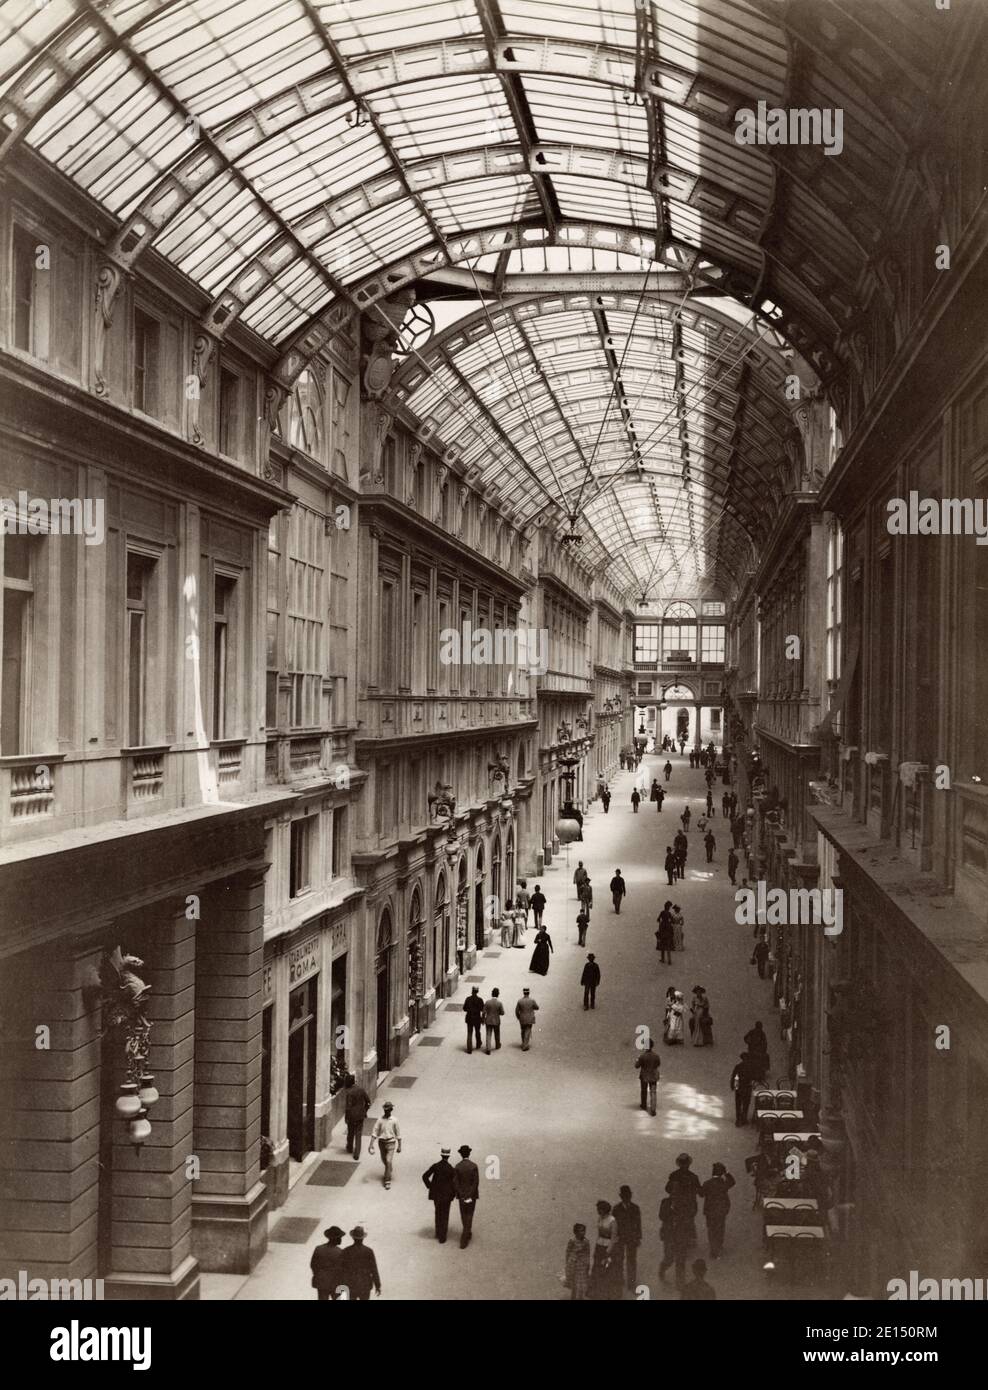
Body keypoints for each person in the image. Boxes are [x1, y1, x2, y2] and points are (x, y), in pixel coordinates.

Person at [422, 1146, 457, 1243]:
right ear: (448, 1156)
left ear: (441, 1155)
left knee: (438, 1212)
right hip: (447, 1196)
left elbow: (425, 1176)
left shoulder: (435, 1166)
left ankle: (438, 1232)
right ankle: (443, 1236)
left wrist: (430, 1187)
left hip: (436, 1194)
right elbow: (454, 1184)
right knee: (445, 1214)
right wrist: (453, 1194)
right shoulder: (451, 1169)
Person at [700, 1165, 735, 1259]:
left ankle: (713, 1249)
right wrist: (727, 1173)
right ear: (721, 1173)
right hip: (721, 1210)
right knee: (720, 1228)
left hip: (710, 1211)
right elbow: (732, 1181)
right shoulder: (723, 1183)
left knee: (711, 1229)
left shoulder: (707, 1183)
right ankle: (719, 1246)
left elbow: (701, 1194)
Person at [590, 1200, 621, 1300]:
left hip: (608, 1248)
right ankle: (595, 1292)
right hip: (599, 1246)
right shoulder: (600, 1218)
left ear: (604, 1209)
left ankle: (607, 1294)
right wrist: (597, 1246)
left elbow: (613, 1238)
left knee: (607, 1270)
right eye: (598, 1209)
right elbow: (599, 1234)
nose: (598, 1211)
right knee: (596, 1268)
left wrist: (608, 1251)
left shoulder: (612, 1220)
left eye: (600, 1209)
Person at [613, 1185, 642, 1290]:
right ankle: (619, 1280)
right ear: (621, 1196)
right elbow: (614, 1225)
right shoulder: (616, 1209)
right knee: (619, 1259)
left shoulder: (635, 1208)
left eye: (628, 1195)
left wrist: (638, 1237)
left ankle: (631, 1282)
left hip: (632, 1238)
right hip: (620, 1238)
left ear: (630, 1195)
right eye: (624, 1196)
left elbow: (638, 1224)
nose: (626, 1197)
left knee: (632, 1260)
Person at [341, 1226, 381, 1300]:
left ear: (353, 1238)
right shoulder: (369, 1251)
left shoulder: (346, 1251)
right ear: (363, 1238)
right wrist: (377, 1285)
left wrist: (342, 1286)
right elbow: (374, 1269)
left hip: (350, 1285)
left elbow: (342, 1270)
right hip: (365, 1285)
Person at [368, 1101, 401, 1187]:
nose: (386, 1111)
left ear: (391, 1110)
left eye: (388, 1110)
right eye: (385, 1109)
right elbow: (375, 1132)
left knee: (388, 1160)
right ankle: (389, 1168)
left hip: (391, 1143)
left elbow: (398, 1134)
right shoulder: (380, 1120)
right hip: (381, 1143)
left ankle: (387, 1181)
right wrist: (371, 1144)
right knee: (384, 1160)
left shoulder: (394, 1120)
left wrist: (399, 1146)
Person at [453, 1144, 479, 1248]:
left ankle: (466, 1232)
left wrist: (462, 1194)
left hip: (461, 1196)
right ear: (469, 1153)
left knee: (463, 1215)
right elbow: (476, 1183)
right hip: (472, 1195)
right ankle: (466, 1234)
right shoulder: (474, 1166)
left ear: (461, 1154)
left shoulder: (457, 1166)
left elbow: (455, 1182)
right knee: (470, 1214)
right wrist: (470, 1194)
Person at [310, 1225, 346, 1300]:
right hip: (336, 1283)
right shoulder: (340, 1252)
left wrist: (319, 1275)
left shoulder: (318, 1249)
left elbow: (313, 1264)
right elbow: (343, 1270)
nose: (341, 1239)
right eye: (340, 1237)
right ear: (336, 1239)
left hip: (321, 1282)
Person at [343, 1073, 371, 1160]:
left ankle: (350, 1147)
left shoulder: (349, 1093)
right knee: (358, 1134)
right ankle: (357, 1153)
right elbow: (368, 1102)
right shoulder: (361, 1090)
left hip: (351, 1116)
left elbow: (348, 1107)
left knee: (350, 1132)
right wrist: (364, 1110)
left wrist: (346, 1117)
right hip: (360, 1116)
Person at [564, 1223, 591, 1300]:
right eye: (581, 1231)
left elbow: (587, 1253)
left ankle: (580, 1298)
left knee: (581, 1284)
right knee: (574, 1283)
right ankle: (573, 1297)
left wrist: (588, 1263)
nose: (583, 1233)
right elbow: (568, 1252)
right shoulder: (572, 1241)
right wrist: (567, 1263)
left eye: (584, 1231)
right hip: (573, 1264)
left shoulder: (586, 1242)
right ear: (576, 1232)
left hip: (582, 1264)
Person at [635, 1037, 661, 1114]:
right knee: (653, 1092)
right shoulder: (656, 1056)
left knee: (644, 1091)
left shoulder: (642, 1056)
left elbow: (636, 1066)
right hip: (653, 1075)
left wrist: (637, 1060)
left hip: (644, 1076)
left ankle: (643, 1105)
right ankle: (653, 1109)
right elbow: (658, 1064)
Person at [730, 1053, 755, 1126]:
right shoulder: (751, 1067)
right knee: (746, 1104)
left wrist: (733, 1085)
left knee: (738, 1103)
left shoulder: (738, 1066)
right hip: (747, 1087)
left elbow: (734, 1076)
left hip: (739, 1088)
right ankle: (744, 1118)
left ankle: (738, 1119)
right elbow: (754, 1076)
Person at [463, 986, 484, 1053]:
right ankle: (478, 1043)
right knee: (477, 1031)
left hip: (469, 1018)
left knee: (469, 1033)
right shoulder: (480, 1000)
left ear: (472, 991)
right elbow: (482, 1009)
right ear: (477, 991)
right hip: (477, 1019)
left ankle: (469, 1048)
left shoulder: (468, 999)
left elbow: (464, 1009)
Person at [483, 989, 504, 1053]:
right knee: (497, 1034)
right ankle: (497, 1045)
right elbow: (502, 1013)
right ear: (498, 995)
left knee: (488, 1034)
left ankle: (488, 1048)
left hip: (488, 1020)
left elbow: (483, 1012)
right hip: (496, 1020)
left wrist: (483, 1019)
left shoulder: (487, 1002)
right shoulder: (499, 1003)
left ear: (492, 994)